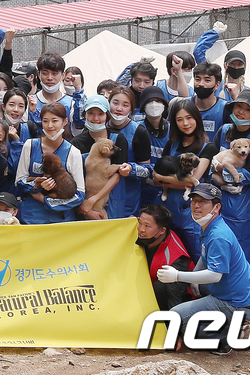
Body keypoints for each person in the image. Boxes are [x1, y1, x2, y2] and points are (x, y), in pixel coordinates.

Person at [158, 184, 250, 354]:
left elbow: (214, 275)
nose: (196, 206)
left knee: (175, 318)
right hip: (241, 293)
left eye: (203, 202)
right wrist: (193, 278)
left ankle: (230, 334)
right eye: (194, 201)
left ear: (217, 206)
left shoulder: (218, 235)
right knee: (195, 288)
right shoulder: (211, 226)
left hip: (236, 302)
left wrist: (178, 275)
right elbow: (205, 256)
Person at [210, 89, 250, 264]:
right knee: (215, 246)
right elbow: (211, 156)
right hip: (215, 198)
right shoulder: (224, 130)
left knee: (239, 250)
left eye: (247, 109)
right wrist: (214, 170)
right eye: (238, 106)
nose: (240, 112)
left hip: (239, 202)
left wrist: (223, 172)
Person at [153, 98, 216, 254]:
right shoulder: (171, 144)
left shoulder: (208, 147)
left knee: (194, 253)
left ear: (197, 118)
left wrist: (163, 180)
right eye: (179, 119)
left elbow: (191, 181)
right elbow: (156, 176)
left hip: (192, 210)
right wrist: (164, 180)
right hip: (168, 208)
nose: (185, 123)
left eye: (189, 118)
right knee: (168, 254)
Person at [11, 102, 85, 224]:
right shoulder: (30, 145)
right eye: (45, 121)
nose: (50, 125)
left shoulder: (73, 152)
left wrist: (45, 199)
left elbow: (79, 195)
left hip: (61, 220)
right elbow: (19, 181)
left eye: (54, 121)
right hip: (31, 217)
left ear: (65, 122)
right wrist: (38, 184)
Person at [70, 97, 127, 220]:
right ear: (85, 114)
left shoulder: (118, 139)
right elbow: (74, 179)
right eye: (91, 113)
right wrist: (86, 207)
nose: (95, 119)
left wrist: (93, 200)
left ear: (107, 116)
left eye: (100, 114)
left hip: (112, 201)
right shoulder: (76, 143)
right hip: (84, 204)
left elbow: (117, 174)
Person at [104, 86, 152, 219]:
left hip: (127, 198)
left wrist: (132, 169)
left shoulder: (139, 132)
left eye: (125, 105)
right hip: (99, 197)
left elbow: (147, 170)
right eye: (115, 103)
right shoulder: (99, 125)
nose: (119, 109)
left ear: (131, 109)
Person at [137, 204, 193, 311]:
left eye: (147, 226)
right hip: (149, 286)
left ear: (162, 231)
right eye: (140, 223)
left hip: (177, 297)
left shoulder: (175, 258)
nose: (141, 229)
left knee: (161, 286)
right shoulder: (148, 234)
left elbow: (177, 299)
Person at [191, 61, 227, 141]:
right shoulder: (183, 105)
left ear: (217, 85)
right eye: (197, 79)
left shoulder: (226, 109)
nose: (201, 84)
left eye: (207, 80)